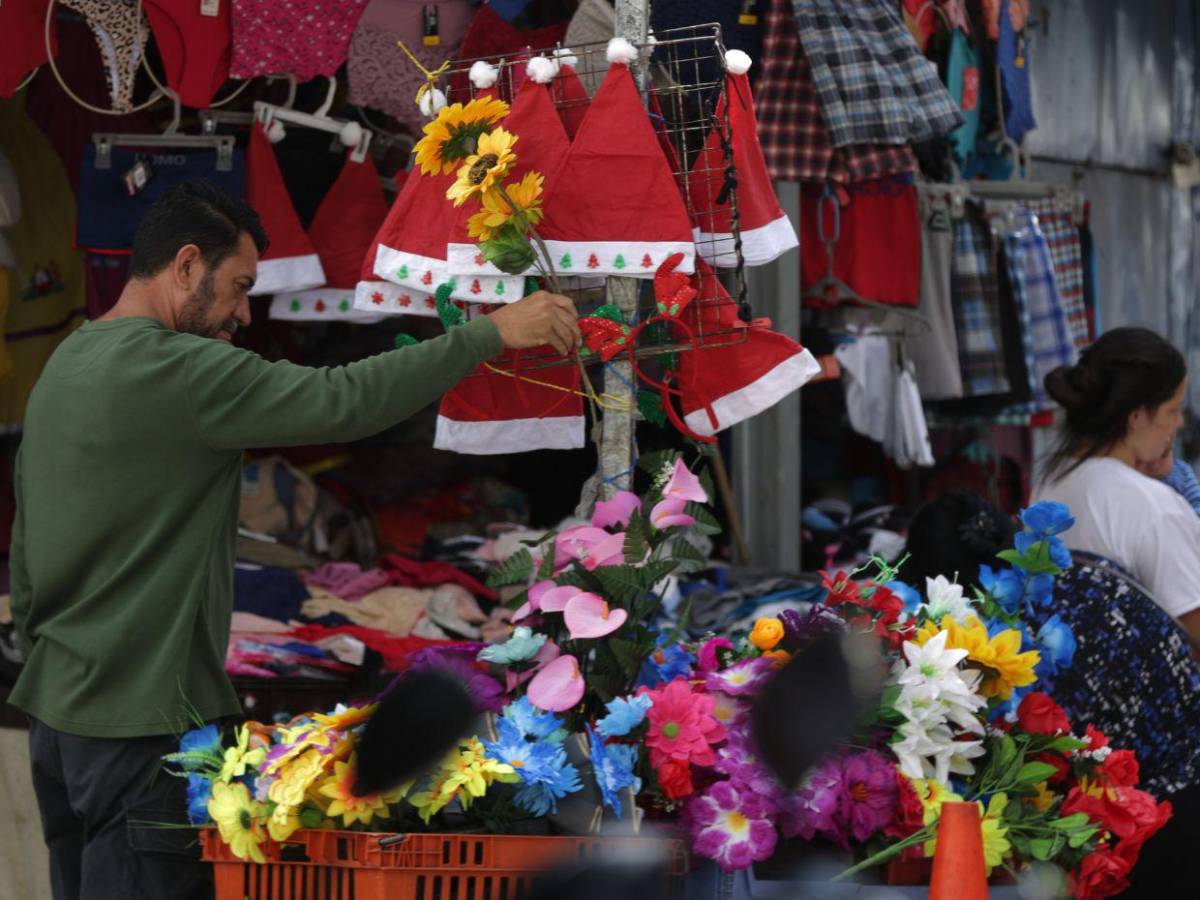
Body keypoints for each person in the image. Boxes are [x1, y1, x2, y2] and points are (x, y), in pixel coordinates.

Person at [7, 180, 580, 900]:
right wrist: (487, 334)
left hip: (59, 721)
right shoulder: (179, 369)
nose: (245, 314)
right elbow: (342, 400)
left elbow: (26, 548)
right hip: (140, 727)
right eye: (240, 287)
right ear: (186, 265)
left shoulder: (69, 361)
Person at [1031, 326, 1200, 642]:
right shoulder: (1154, 508)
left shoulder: (1049, 483)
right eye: (1173, 410)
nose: (1178, 423)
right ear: (1136, 417)